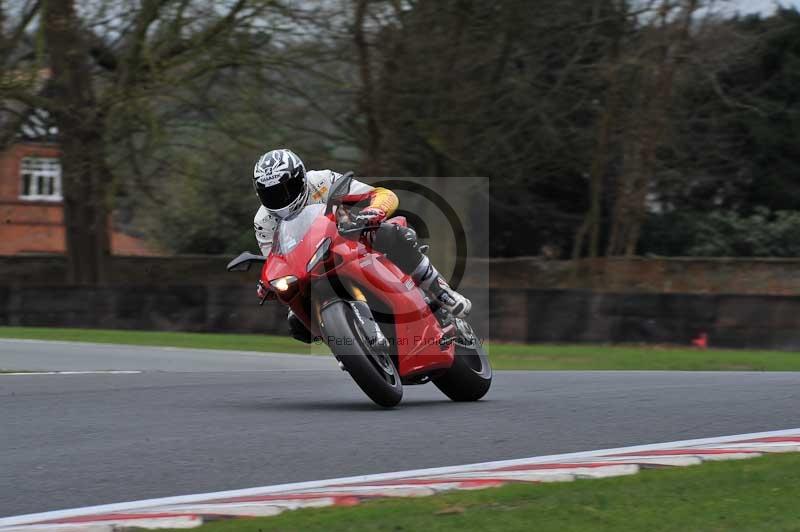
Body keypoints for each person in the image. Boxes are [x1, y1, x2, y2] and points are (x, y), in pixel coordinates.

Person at [252, 148, 471, 342]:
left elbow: (383, 194)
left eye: (286, 189)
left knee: (392, 233)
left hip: (349, 240)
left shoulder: (321, 181)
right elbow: (277, 258)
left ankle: (440, 291)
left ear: (300, 179)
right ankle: (344, 344)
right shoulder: (263, 222)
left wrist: (373, 211)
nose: (281, 199)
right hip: (309, 268)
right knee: (297, 324)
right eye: (270, 194)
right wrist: (268, 283)